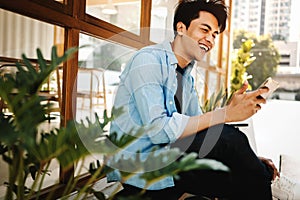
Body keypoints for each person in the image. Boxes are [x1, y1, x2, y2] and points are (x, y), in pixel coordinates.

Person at [107, 0, 280, 199]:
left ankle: (263, 175)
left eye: (214, 35)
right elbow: (159, 131)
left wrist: (249, 159)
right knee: (232, 139)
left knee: (240, 173)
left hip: (171, 166)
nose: (210, 40)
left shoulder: (186, 76)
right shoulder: (147, 61)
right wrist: (226, 114)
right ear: (181, 28)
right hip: (143, 172)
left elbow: (201, 133)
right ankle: (267, 181)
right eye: (204, 30)